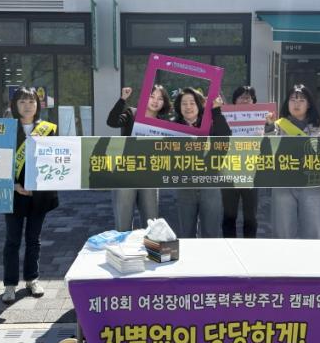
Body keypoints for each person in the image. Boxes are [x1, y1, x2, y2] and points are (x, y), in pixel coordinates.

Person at [2, 87, 58, 304]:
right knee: (12, 240)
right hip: (13, 193)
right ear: (14, 105)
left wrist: (41, 184)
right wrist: (13, 185)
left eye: (31, 101)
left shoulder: (49, 129)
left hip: (39, 195)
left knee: (34, 239)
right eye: (22, 102)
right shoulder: (6, 129)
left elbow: (55, 161)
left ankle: (32, 279)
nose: (27, 106)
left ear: (38, 105)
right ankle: (9, 284)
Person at [265, 84, 320, 239]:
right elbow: (266, 151)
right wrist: (269, 127)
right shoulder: (277, 125)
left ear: (309, 104)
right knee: (283, 231)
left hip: (311, 182)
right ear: (287, 103)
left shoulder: (319, 127)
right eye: (293, 100)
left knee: (314, 231)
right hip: (283, 182)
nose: (296, 104)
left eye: (301, 100)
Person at [106, 85, 172, 230]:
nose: (155, 101)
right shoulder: (132, 113)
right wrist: (122, 99)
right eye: (152, 96)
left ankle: (149, 246)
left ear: (164, 103)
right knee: (123, 225)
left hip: (149, 175)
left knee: (151, 223)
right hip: (125, 172)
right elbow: (111, 122)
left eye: (160, 98)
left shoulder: (164, 124)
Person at [173, 87, 231, 238]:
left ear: (199, 105)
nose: (188, 107)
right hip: (185, 185)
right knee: (186, 233)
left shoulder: (210, 123)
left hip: (210, 183)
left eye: (192, 103)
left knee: (211, 233)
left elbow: (225, 138)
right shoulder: (172, 126)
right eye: (184, 103)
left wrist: (216, 111)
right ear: (179, 106)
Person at [221, 86, 260, 238]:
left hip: (252, 173)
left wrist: (269, 126)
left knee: (251, 216)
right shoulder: (225, 118)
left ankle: (249, 246)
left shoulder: (261, 119)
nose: (244, 100)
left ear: (254, 102)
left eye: (248, 97)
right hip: (229, 172)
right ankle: (229, 244)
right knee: (229, 215)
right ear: (234, 101)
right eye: (241, 97)